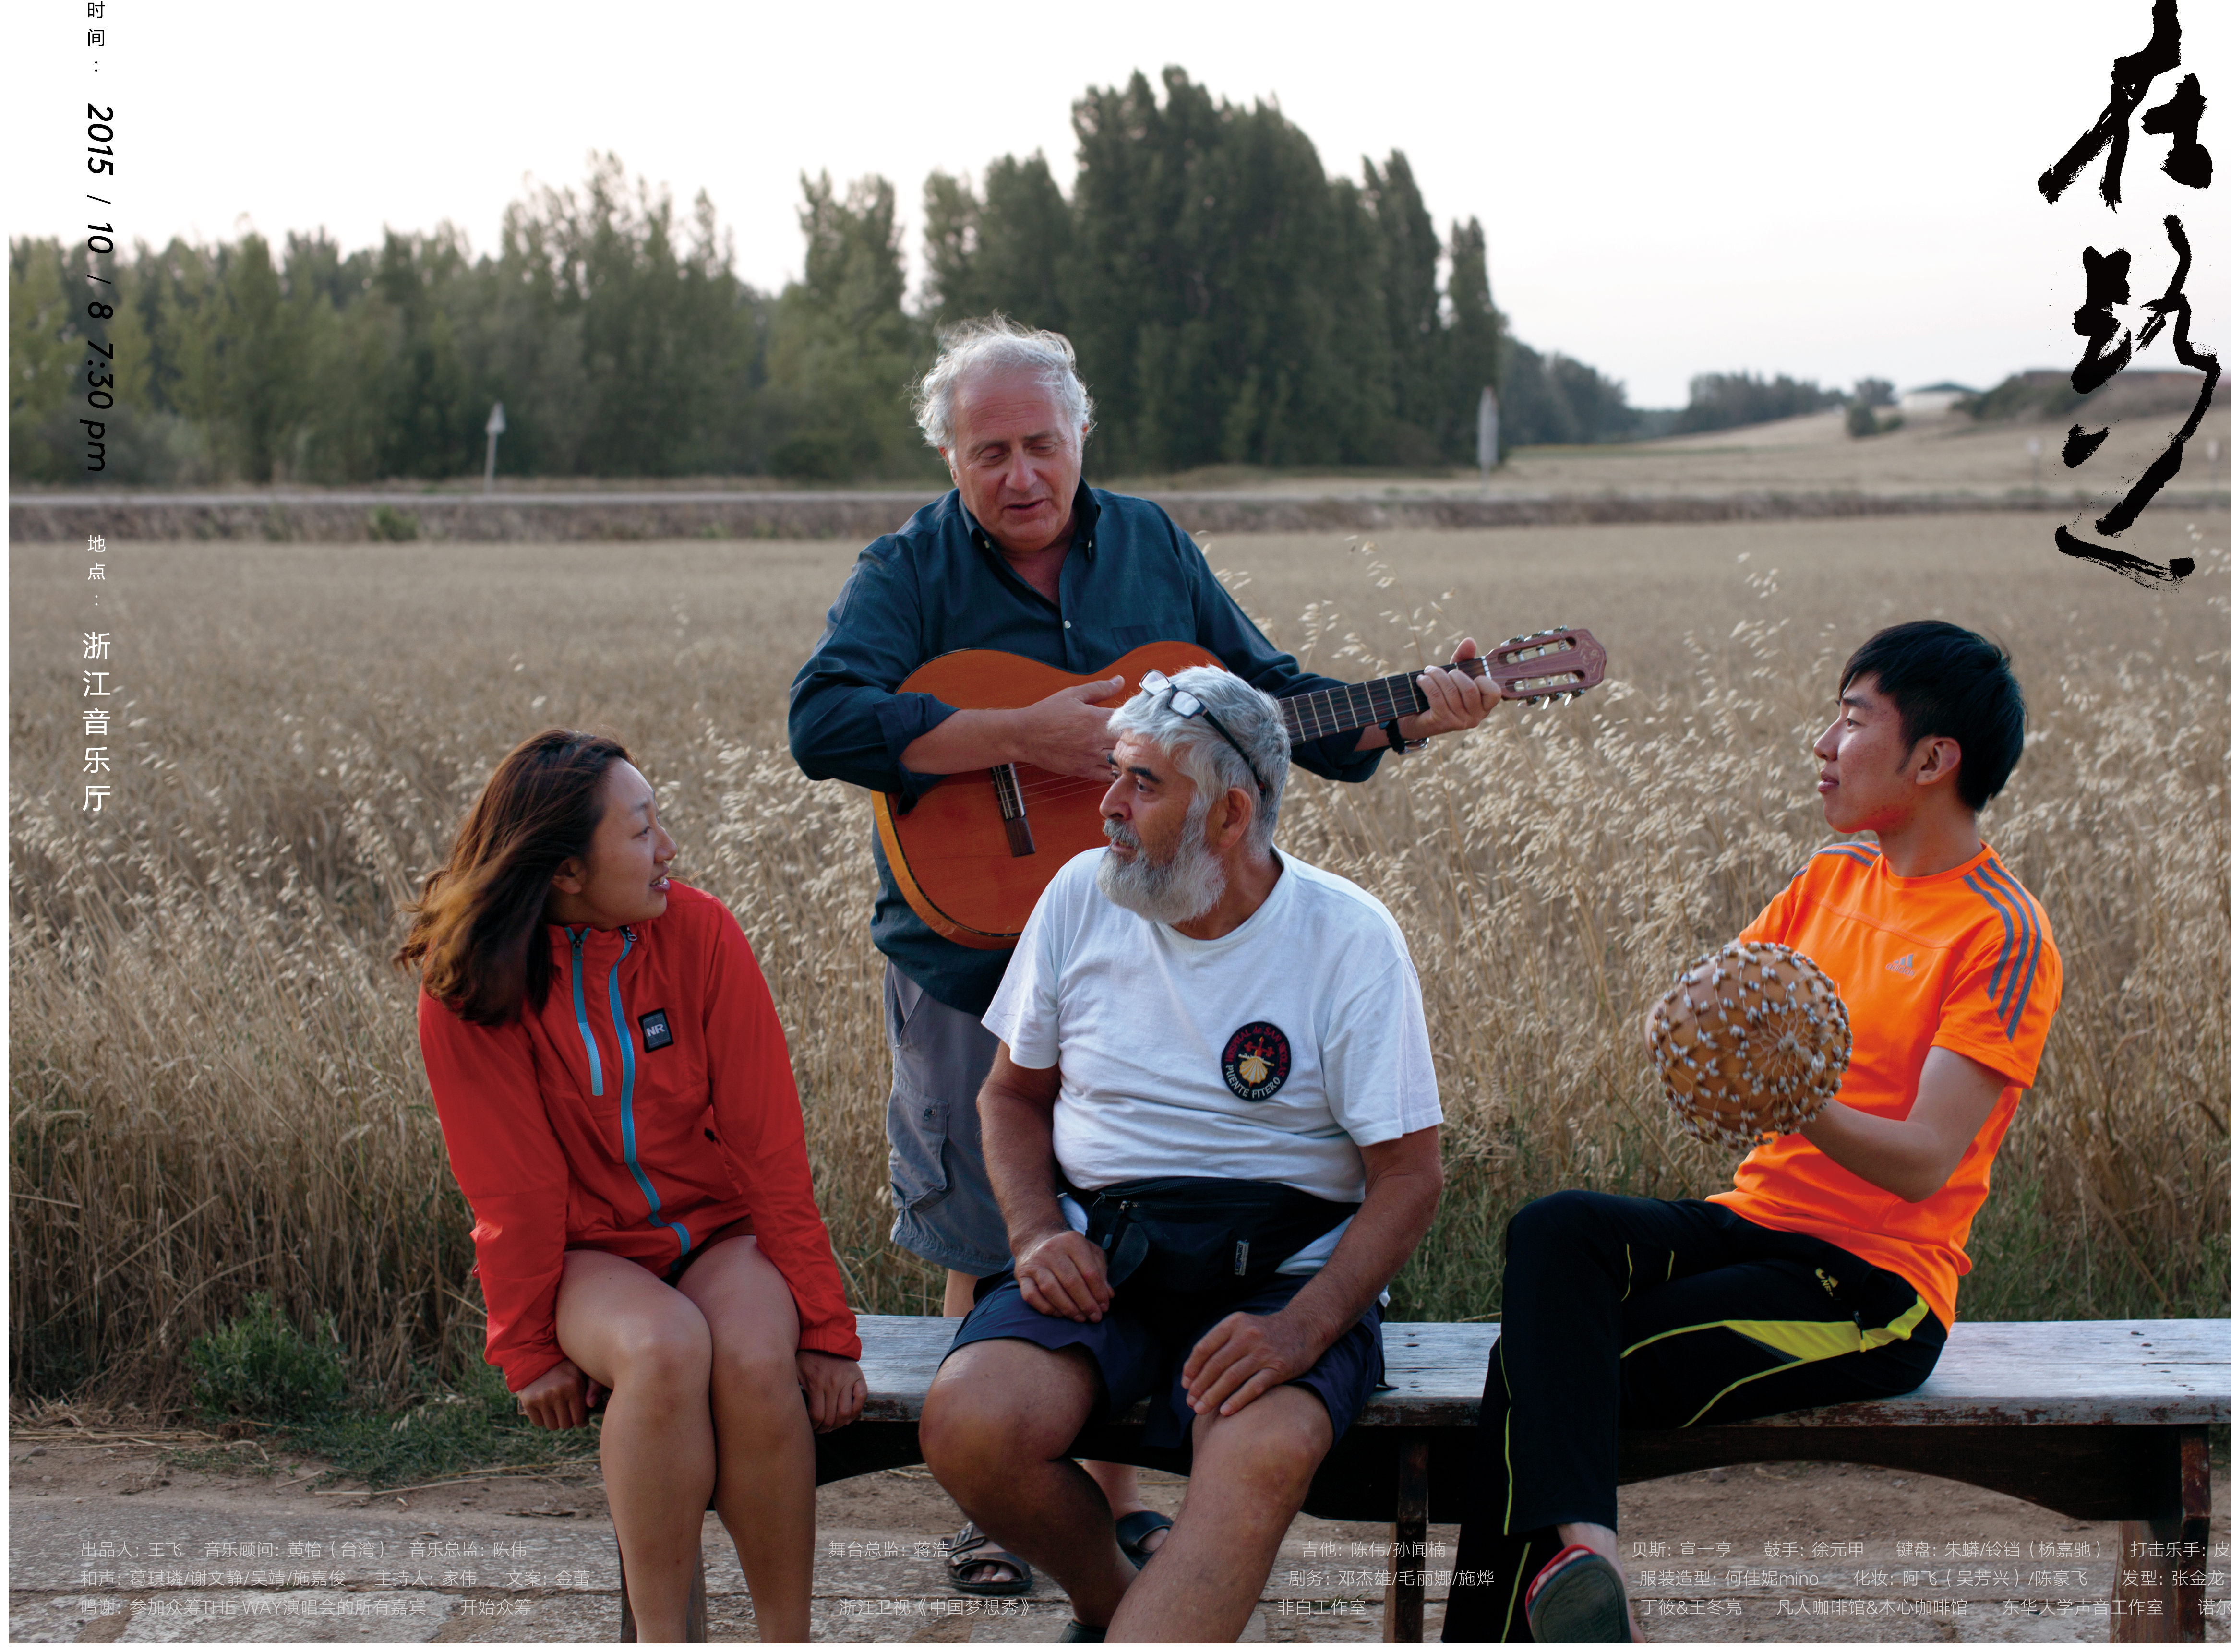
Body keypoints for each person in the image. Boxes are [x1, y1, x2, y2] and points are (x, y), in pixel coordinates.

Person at [785, 315, 1497, 1587]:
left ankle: (1107, 1531)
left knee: (1106, 1208)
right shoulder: (908, 568)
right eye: (987, 450)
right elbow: (823, 719)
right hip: (971, 940)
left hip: (1151, 938)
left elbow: (1260, 697)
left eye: (1039, 445)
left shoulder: (1152, 545)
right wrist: (1015, 736)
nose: (1018, 474)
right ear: (949, 458)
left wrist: (1403, 713)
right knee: (988, 1231)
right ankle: (1011, 1511)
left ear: (1078, 439)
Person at [1441, 621, 2063, 1643]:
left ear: (1931, 758)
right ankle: (1584, 1561)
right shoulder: (1831, 880)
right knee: (1556, 1230)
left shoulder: (1998, 930)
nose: (1822, 741)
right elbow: (1719, 1011)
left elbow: (1919, 1163)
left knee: (1535, 1374)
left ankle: (1546, 1599)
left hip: (1871, 1286)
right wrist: (1682, 1031)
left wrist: (1792, 1093)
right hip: (1753, 1220)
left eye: (1852, 718)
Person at [918, 666, 1444, 1642]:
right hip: (1102, 1260)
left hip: (1285, 1280)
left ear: (1231, 811)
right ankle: (1117, 1601)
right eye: (1115, 773)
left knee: (1256, 1450)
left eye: (1142, 783)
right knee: (969, 1423)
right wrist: (1034, 1233)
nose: (1108, 805)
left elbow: (1409, 1176)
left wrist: (1303, 1327)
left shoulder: (1347, 938)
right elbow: (1010, 1094)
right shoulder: (1081, 895)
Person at [399, 730, 864, 1642]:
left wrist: (822, 1322)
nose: (670, 852)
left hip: (717, 1234)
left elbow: (769, 1150)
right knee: (660, 1348)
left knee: (755, 1360)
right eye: (643, 831)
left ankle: (787, 1639)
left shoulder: (701, 934)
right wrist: (527, 1347)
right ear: (567, 869)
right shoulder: (469, 987)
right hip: (589, 1255)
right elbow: (515, 1191)